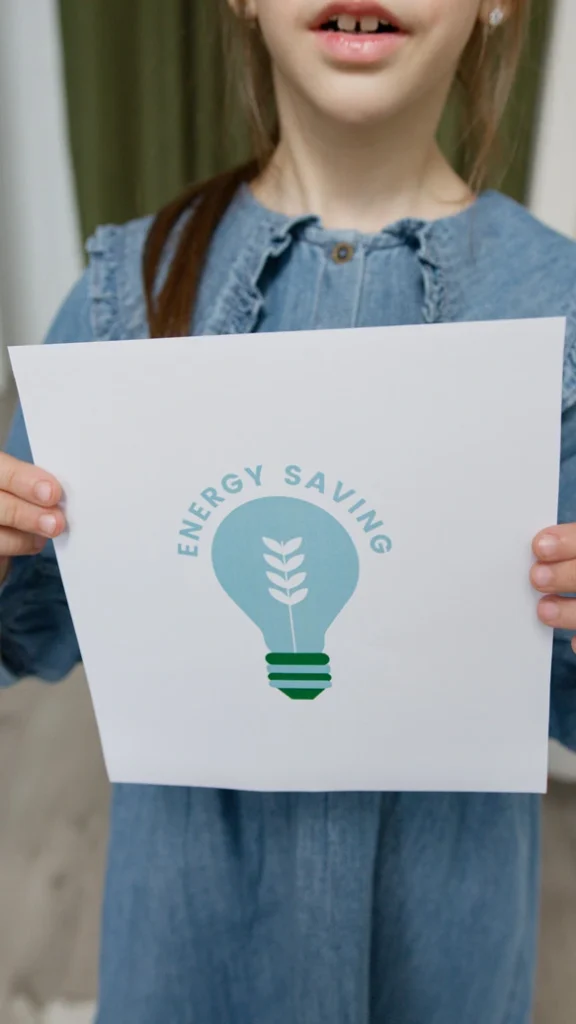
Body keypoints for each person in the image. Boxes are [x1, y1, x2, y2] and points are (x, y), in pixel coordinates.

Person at [1, 1, 576, 1020]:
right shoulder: (119, 294)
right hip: (187, 953)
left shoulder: (560, 310)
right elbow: (26, 628)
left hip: (439, 951)